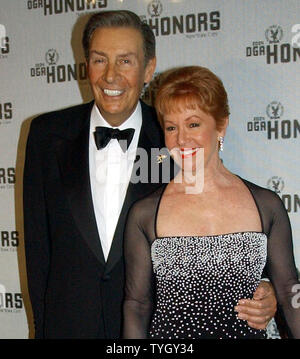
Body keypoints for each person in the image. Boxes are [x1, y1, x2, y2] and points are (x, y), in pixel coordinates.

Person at [23, 11, 276, 339]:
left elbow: (217, 229)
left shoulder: (175, 138)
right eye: (100, 60)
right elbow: (37, 250)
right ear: (86, 64)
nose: (111, 76)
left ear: (149, 68)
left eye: (125, 61)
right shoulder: (46, 135)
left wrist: (264, 288)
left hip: (157, 333)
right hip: (69, 327)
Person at [122, 66, 300, 339]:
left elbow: (289, 291)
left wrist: (273, 293)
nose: (182, 139)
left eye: (193, 124)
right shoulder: (144, 214)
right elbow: (137, 305)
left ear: (221, 125)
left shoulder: (266, 205)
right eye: (171, 127)